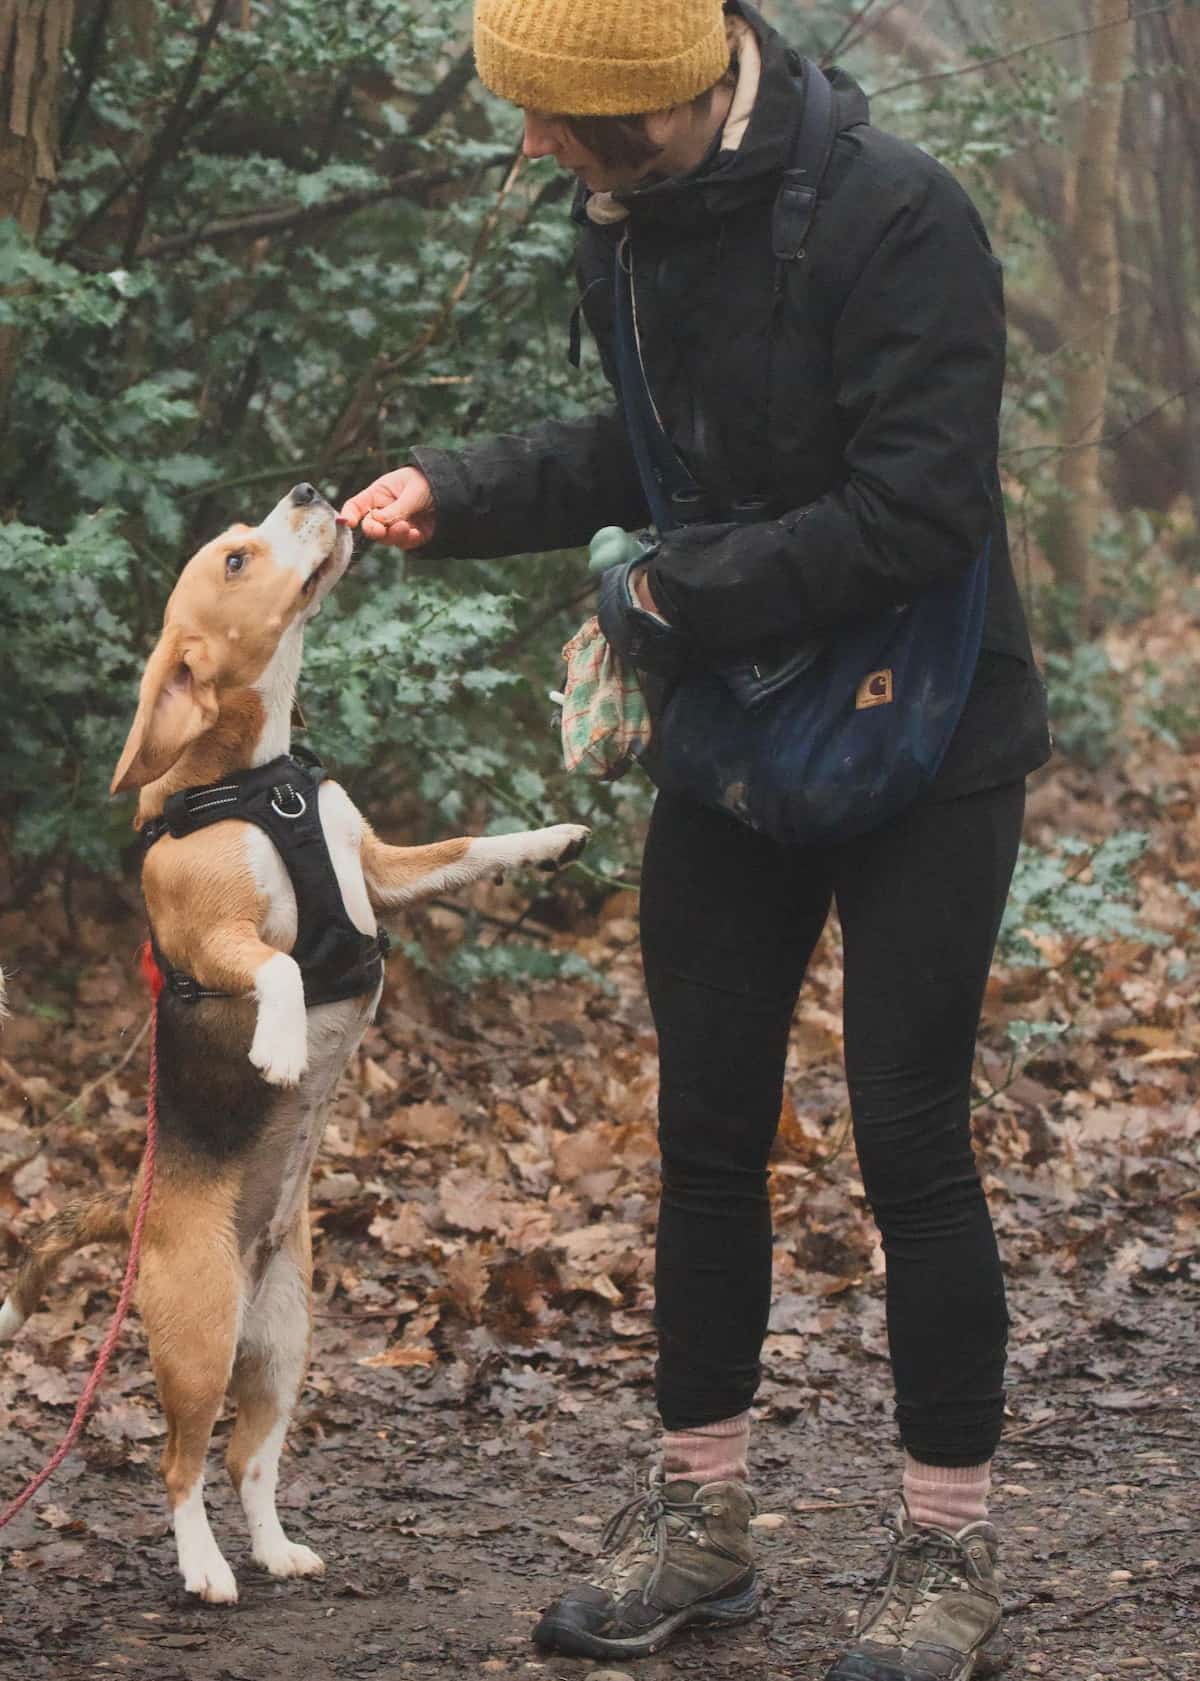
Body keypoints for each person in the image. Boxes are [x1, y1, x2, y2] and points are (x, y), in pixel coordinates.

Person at [341, 2, 1052, 1675]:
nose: (530, 149)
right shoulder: (630, 225)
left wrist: (668, 590)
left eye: (550, 120)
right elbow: (645, 452)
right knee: (707, 1129)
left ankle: (947, 1550)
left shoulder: (902, 215)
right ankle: (700, 1521)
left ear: (648, 104)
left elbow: (923, 502)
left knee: (909, 1136)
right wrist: (462, 487)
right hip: (737, 732)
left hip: (934, 734)